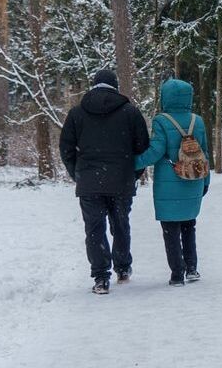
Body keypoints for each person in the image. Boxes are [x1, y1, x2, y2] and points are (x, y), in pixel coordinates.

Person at [59, 69, 149, 295]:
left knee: (94, 229)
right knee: (120, 225)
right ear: (115, 86)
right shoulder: (130, 112)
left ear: (94, 86)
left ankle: (100, 277)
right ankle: (123, 268)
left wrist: (78, 173)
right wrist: (132, 173)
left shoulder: (77, 113)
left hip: (89, 182)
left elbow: (66, 149)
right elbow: (143, 148)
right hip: (120, 181)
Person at [135, 78, 210, 286]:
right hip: (194, 179)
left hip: (170, 181)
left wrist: (133, 163)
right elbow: (205, 152)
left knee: (170, 229)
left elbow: (156, 152)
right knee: (189, 225)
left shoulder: (162, 120)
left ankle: (177, 273)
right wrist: (206, 180)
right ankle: (192, 268)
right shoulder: (198, 121)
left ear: (165, 97)